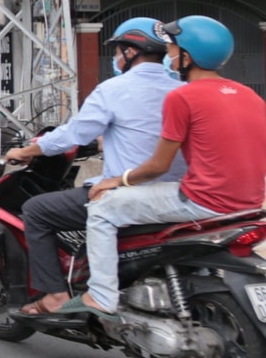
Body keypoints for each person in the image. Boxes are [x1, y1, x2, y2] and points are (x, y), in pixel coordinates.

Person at [77, 16, 266, 316]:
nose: (170, 56)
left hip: (203, 202)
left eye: (174, 50)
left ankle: (101, 295)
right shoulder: (250, 95)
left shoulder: (182, 96)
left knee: (101, 207)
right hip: (249, 206)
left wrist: (116, 181)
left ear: (188, 57)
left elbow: (157, 166)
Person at [5, 18, 181, 315]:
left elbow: (73, 134)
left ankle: (55, 295)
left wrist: (27, 151)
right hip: (177, 195)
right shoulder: (182, 90)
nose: (114, 58)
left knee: (37, 210)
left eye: (117, 52)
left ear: (130, 52)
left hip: (131, 191)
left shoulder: (113, 89)